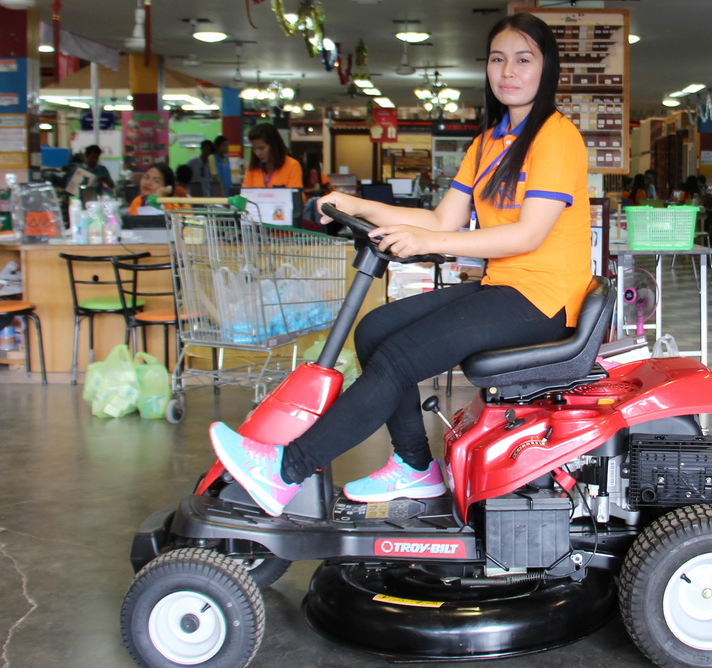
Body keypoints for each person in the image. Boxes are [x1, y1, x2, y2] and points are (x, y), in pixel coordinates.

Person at [207, 12, 592, 516]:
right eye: (498, 59)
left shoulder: (555, 137)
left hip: (544, 300)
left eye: (524, 59)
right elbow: (440, 216)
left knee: (399, 357)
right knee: (373, 331)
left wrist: (433, 240)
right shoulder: (489, 141)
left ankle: (286, 470)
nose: (508, 71)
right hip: (506, 287)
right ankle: (416, 467)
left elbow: (528, 233)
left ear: (548, 69)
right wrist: (357, 205)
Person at [242, 123, 303, 189]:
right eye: (254, 149)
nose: (257, 153)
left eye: (261, 148)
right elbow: (245, 195)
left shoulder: (292, 165)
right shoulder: (251, 167)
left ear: (274, 146)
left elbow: (296, 196)